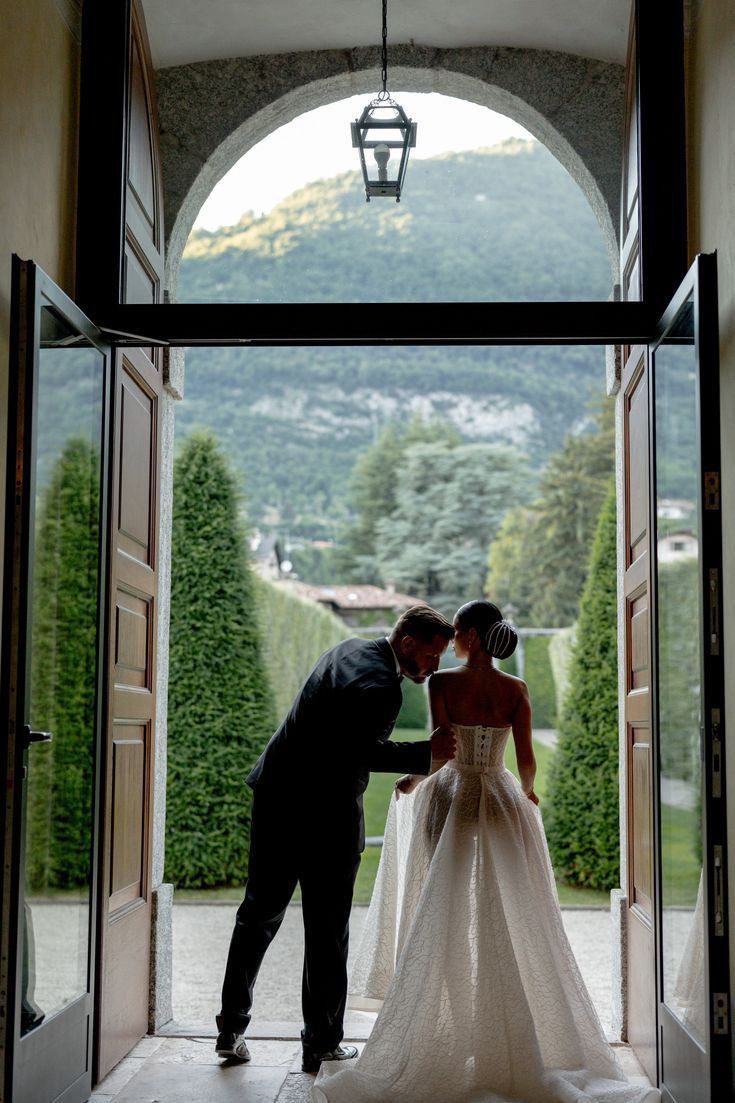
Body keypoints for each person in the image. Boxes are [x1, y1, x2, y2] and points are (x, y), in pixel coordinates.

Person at [313, 600, 659, 1103]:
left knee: (441, 909)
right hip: (499, 798)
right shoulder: (515, 690)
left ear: (472, 636)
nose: (451, 640)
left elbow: (442, 748)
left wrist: (412, 778)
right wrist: (529, 794)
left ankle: (449, 1026)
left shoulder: (442, 684)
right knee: (511, 913)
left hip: (450, 797)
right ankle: (509, 1028)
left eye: (456, 631)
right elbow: (526, 761)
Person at [215, 604, 456, 1073]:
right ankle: (321, 1044)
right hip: (326, 814)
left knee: (257, 914)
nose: (436, 666)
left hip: (276, 795)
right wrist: (429, 753)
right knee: (327, 930)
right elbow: (359, 751)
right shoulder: (384, 686)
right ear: (407, 644)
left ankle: (231, 1028)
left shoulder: (348, 648)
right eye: (432, 655)